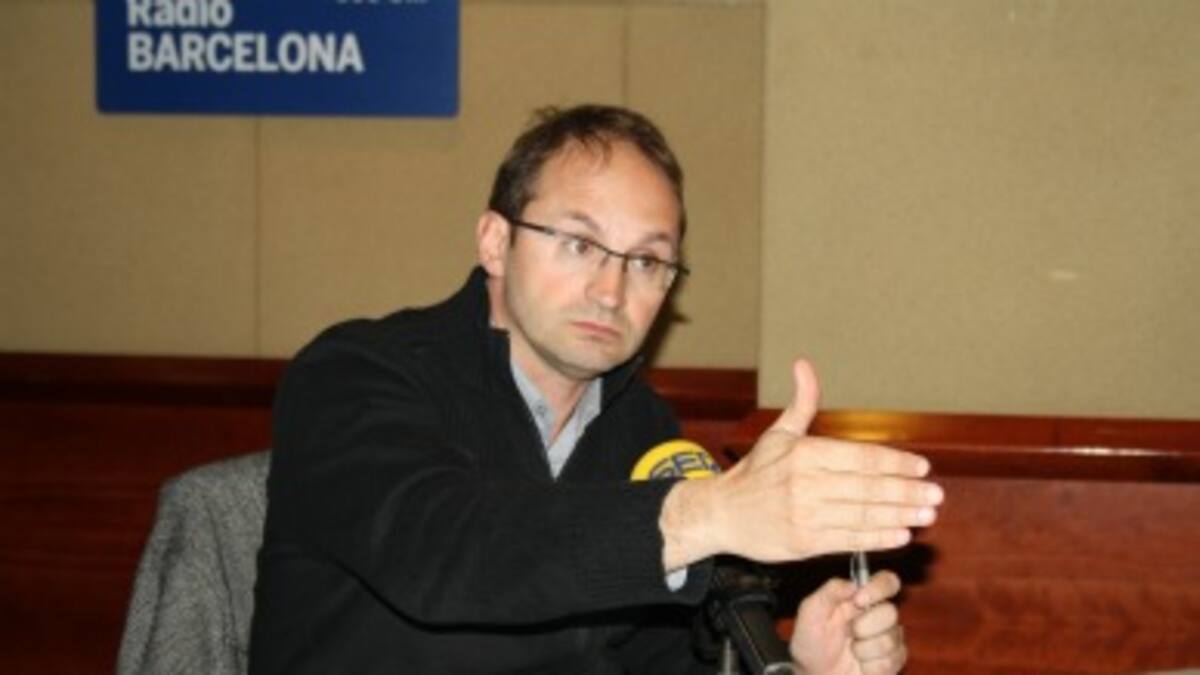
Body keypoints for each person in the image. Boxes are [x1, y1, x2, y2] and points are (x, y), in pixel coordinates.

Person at [249, 104, 943, 674]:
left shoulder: (642, 432)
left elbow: (657, 658)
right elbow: (444, 553)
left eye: (647, 261)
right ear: (494, 242)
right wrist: (702, 513)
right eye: (579, 244)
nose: (611, 290)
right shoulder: (355, 373)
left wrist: (801, 665)